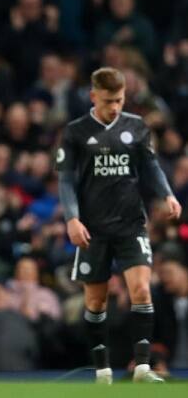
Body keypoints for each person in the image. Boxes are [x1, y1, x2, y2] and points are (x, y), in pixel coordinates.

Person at [56, 67, 182, 384]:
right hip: (93, 229)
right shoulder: (75, 131)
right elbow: (66, 180)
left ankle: (141, 367)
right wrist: (72, 217)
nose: (115, 107)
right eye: (109, 100)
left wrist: (167, 194)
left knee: (141, 290)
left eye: (120, 100)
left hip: (130, 224)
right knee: (96, 302)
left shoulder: (136, 127)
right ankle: (102, 371)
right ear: (93, 96)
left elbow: (150, 166)